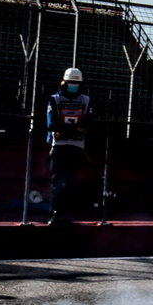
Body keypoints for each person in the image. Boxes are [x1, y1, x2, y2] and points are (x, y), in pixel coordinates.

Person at [45, 66, 92, 224]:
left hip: (75, 147)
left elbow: (88, 124)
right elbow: (52, 124)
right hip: (58, 146)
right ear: (64, 82)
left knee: (67, 181)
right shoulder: (55, 99)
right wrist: (75, 129)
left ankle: (61, 214)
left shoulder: (86, 100)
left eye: (76, 83)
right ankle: (55, 214)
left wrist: (65, 130)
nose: (73, 86)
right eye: (71, 83)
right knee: (57, 181)